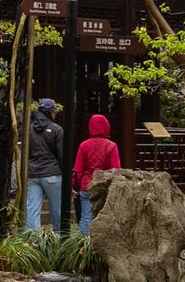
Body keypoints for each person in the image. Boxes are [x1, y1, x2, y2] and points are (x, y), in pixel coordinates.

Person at [72, 113, 122, 234]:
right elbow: (116, 169)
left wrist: (74, 186)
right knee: (104, 217)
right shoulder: (111, 146)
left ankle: (83, 245)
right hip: (104, 186)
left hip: (86, 185)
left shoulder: (84, 145)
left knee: (86, 217)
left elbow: (78, 169)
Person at [23, 98, 67, 230]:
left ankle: (32, 240)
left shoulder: (29, 129)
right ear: (51, 112)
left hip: (33, 173)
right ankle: (59, 238)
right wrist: (66, 175)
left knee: (32, 208)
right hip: (52, 174)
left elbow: (26, 151)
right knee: (57, 208)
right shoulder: (57, 129)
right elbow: (61, 155)